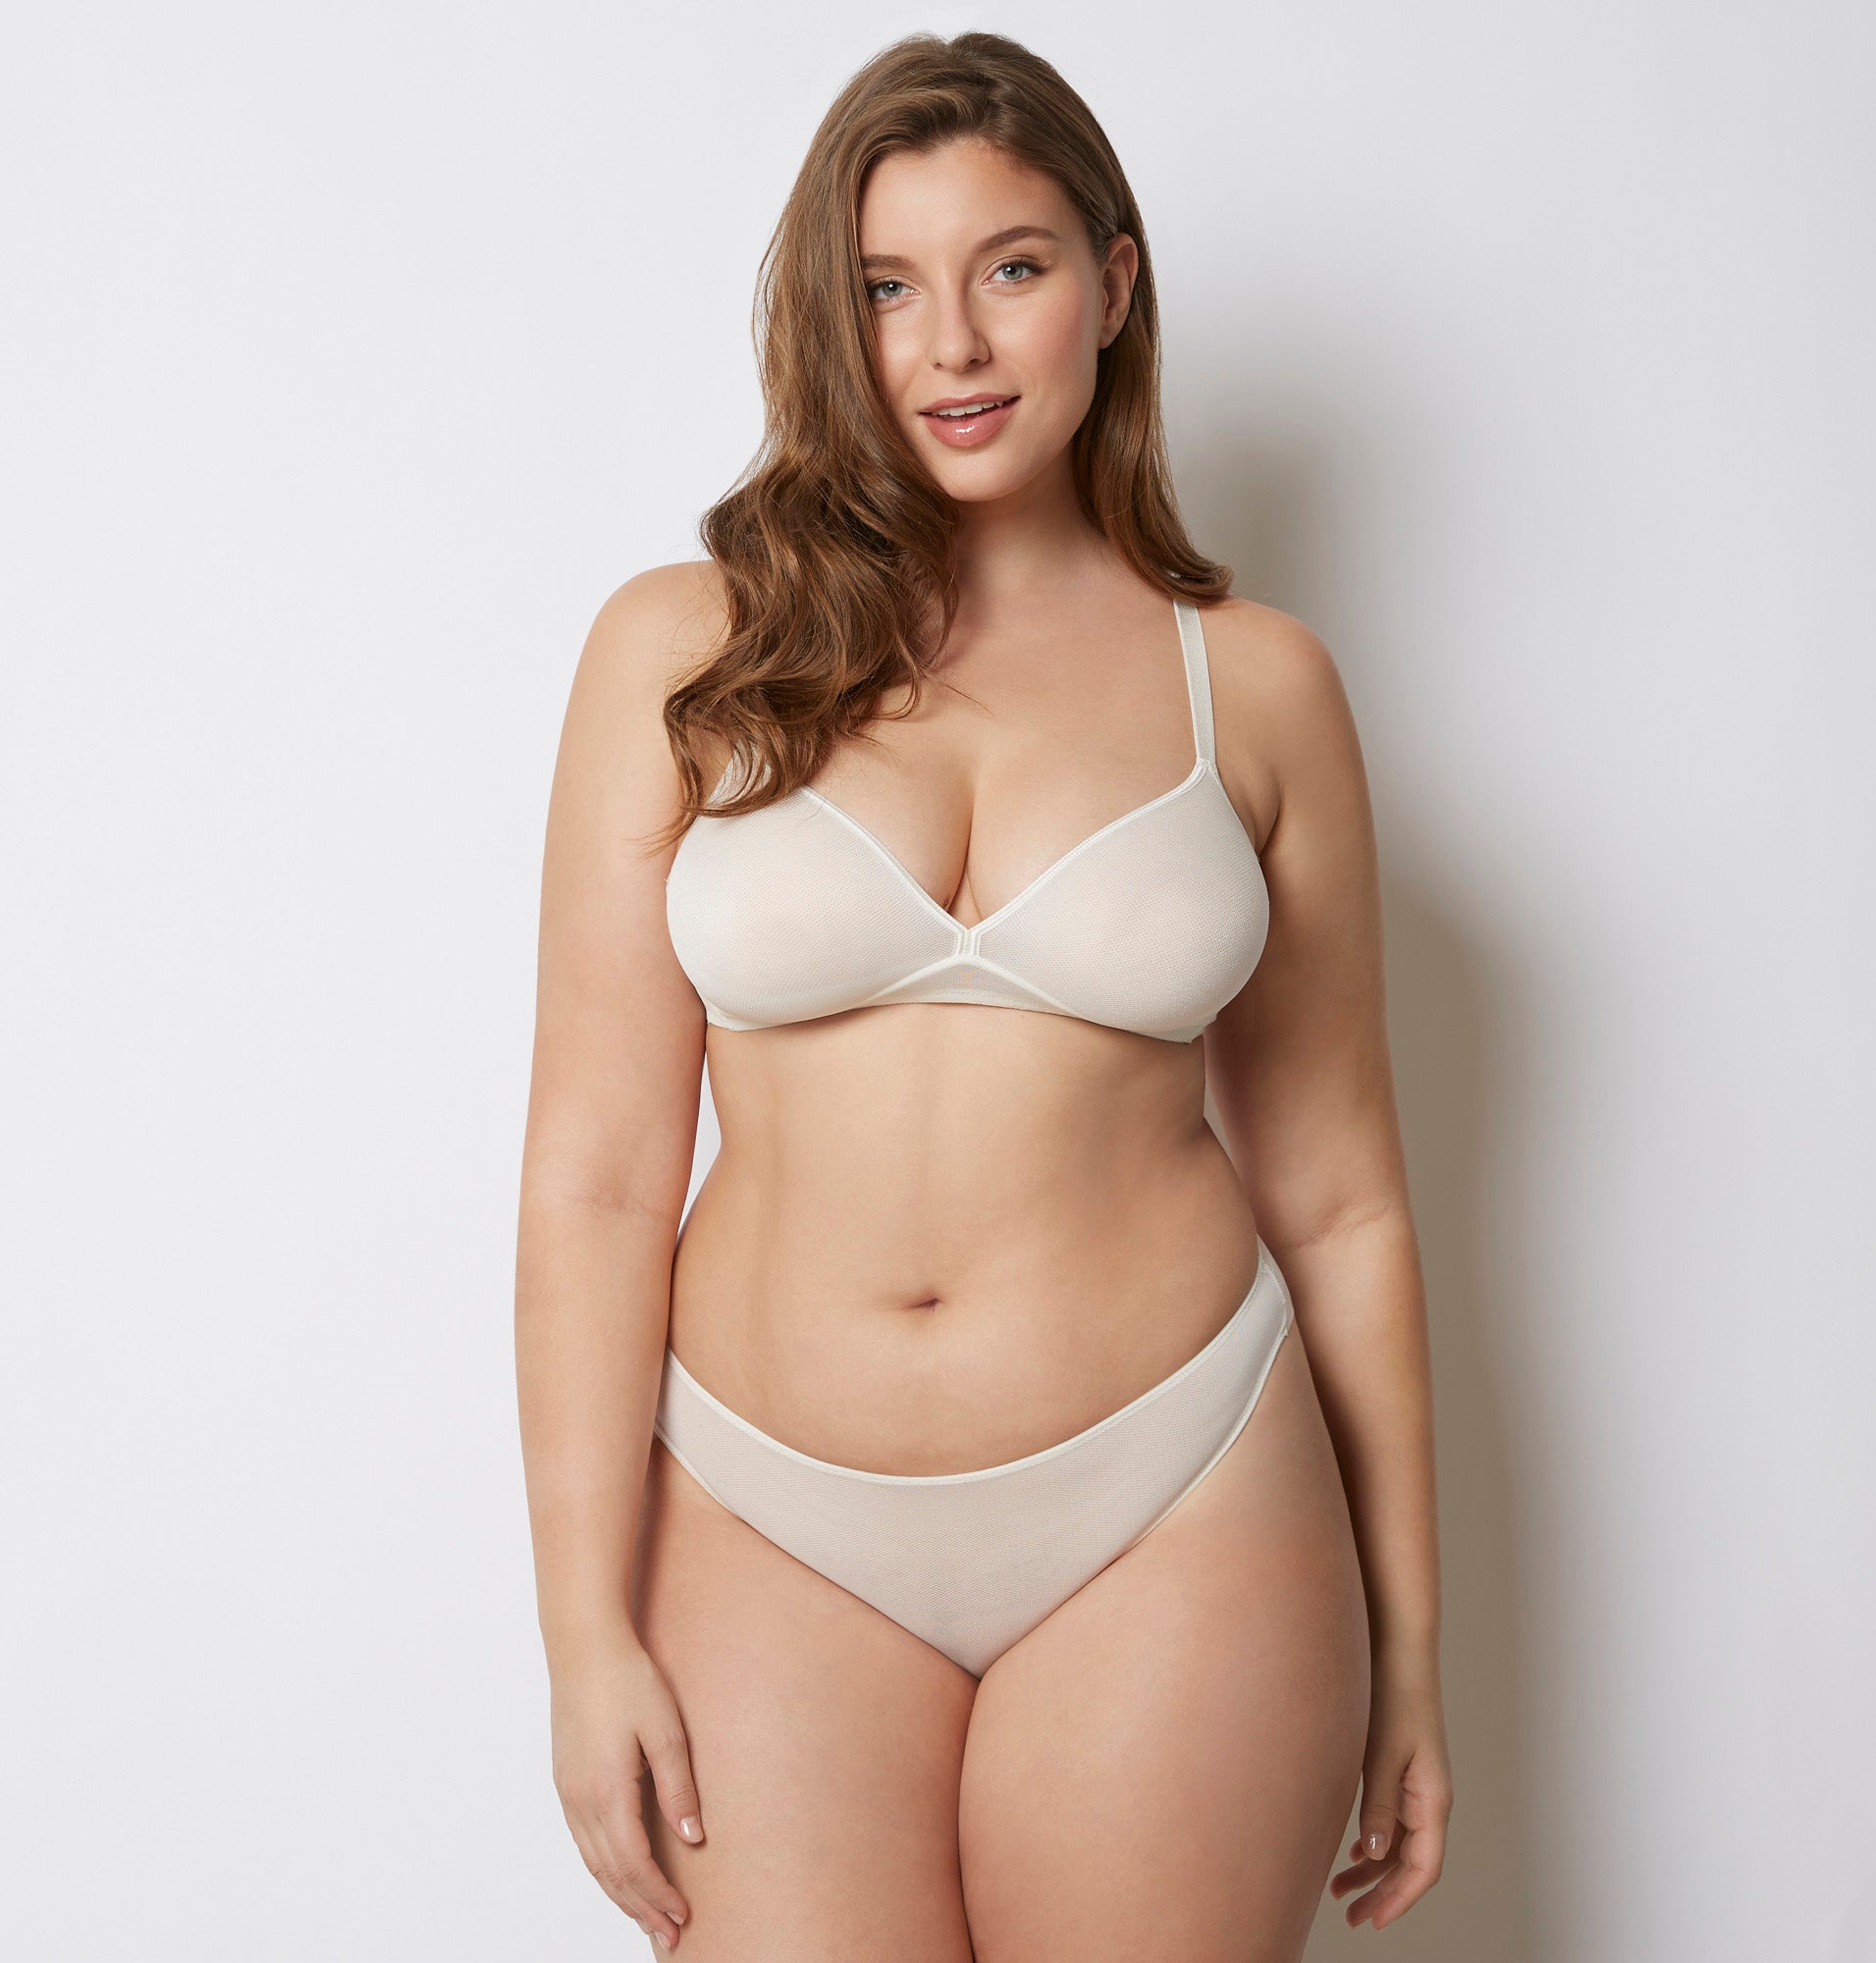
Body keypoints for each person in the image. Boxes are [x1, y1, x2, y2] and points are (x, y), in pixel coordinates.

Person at [515, 29, 1452, 1959]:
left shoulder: (1256, 686)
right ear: (827, 316)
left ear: (1112, 284)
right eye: (886, 286)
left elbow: (1344, 1193)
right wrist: (579, 1629)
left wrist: (1416, 1650)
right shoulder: (681, 657)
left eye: (1010, 268)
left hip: (1177, 1499)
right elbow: (596, 1176)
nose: (949, 343)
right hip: (761, 1517)